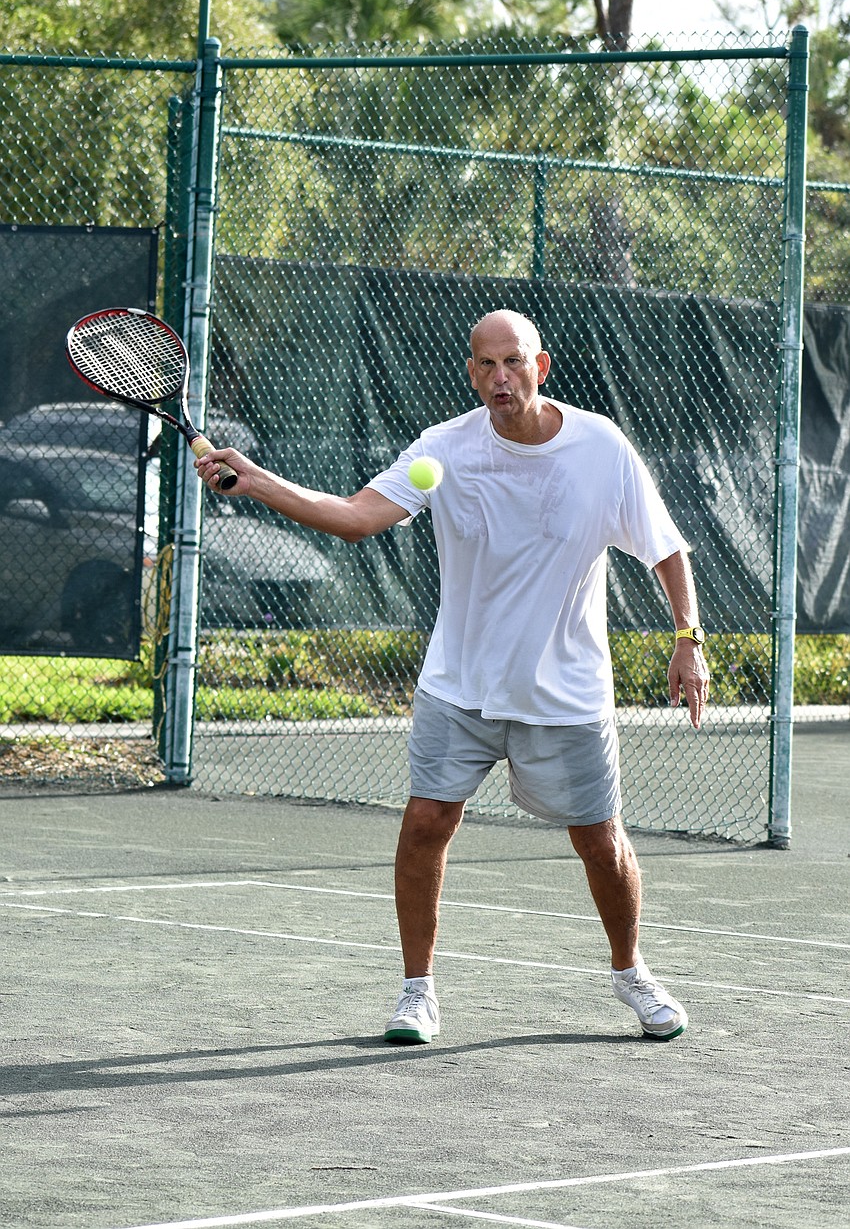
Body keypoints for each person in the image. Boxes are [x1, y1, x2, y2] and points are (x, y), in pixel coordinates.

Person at [196, 308, 710, 1045]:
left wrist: (687, 638)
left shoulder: (601, 448)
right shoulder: (444, 449)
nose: (499, 378)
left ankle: (630, 969)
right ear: (471, 373)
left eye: (513, 362)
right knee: (425, 825)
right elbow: (353, 516)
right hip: (459, 685)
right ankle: (416, 991)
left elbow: (666, 548)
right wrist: (256, 480)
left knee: (601, 841)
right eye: (484, 365)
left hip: (564, 691)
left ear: (542, 366)